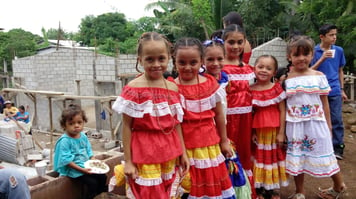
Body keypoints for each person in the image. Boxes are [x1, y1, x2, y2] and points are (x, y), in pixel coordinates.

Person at [112, 32, 189, 199]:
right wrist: (129, 161)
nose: (156, 64)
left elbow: (176, 124)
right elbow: (126, 126)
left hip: (170, 151)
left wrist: (183, 152)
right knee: (150, 193)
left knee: (168, 192)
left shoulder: (173, 87)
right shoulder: (133, 88)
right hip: (144, 152)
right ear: (140, 60)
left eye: (161, 58)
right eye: (149, 59)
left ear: (169, 57)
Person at [172, 37, 236, 199]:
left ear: (201, 61)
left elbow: (220, 115)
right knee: (187, 186)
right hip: (183, 146)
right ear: (174, 62)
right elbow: (174, 122)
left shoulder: (210, 84)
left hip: (209, 146)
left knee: (211, 186)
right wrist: (179, 151)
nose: (187, 67)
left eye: (193, 62)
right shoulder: (171, 87)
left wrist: (224, 141)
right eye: (182, 62)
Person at [284, 35, 346, 199]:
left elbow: (325, 103)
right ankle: (299, 192)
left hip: (317, 124)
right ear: (289, 56)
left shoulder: (318, 76)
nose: (301, 58)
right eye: (296, 55)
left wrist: (329, 126)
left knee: (326, 153)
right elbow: (282, 105)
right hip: (295, 126)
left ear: (312, 55)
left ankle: (339, 185)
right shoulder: (285, 79)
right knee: (298, 157)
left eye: (306, 54)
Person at [203, 37, 252, 198]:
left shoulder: (224, 79)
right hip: (207, 135)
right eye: (210, 59)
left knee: (229, 165)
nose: (215, 63)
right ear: (202, 60)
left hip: (223, 132)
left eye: (219, 59)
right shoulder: (202, 82)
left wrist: (224, 138)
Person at [250, 55, 289, 199]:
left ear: (274, 72)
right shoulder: (250, 90)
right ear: (254, 69)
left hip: (274, 132)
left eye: (268, 68)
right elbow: (250, 113)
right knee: (259, 159)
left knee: (272, 159)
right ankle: (259, 188)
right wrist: (251, 132)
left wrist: (281, 133)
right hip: (258, 131)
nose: (264, 70)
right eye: (260, 67)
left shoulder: (276, 89)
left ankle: (272, 189)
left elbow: (283, 110)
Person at [222, 24, 255, 180]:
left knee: (244, 152)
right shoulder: (219, 68)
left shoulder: (249, 69)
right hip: (226, 121)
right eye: (231, 42)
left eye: (240, 42)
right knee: (228, 153)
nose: (236, 46)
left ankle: (246, 191)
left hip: (247, 120)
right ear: (223, 43)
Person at [54, 104, 107, 199]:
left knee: (103, 177)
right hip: (73, 169)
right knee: (92, 183)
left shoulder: (83, 136)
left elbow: (89, 150)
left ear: (83, 122)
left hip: (86, 165)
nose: (76, 126)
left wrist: (93, 160)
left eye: (79, 122)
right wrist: (83, 170)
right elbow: (67, 161)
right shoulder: (65, 141)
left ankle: (101, 196)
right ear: (64, 125)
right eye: (71, 123)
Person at [311, 24, 347, 160]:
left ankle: (338, 147)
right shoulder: (313, 52)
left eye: (335, 34)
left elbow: (340, 70)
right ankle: (320, 146)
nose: (334, 37)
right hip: (317, 90)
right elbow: (310, 70)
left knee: (336, 119)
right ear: (322, 37)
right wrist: (322, 58)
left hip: (334, 90)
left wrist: (342, 89)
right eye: (331, 35)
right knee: (317, 119)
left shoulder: (339, 51)